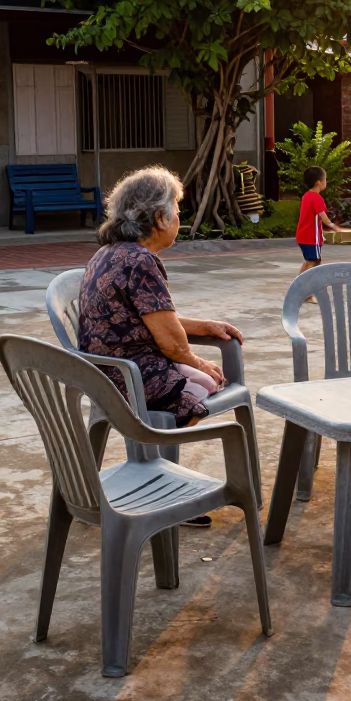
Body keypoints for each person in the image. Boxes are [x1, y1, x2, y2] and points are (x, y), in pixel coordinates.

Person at [78, 167, 243, 527]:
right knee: (206, 386)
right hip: (129, 378)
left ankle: (158, 476)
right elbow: (169, 340)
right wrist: (199, 361)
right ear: (158, 217)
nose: (179, 217)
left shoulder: (110, 253)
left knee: (203, 381)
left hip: (105, 372)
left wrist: (203, 327)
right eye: (177, 210)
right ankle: (162, 488)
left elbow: (150, 319)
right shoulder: (141, 261)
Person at [295, 166, 343, 298]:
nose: (326, 182)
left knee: (311, 262)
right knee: (314, 263)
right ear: (318, 182)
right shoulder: (317, 198)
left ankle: (299, 288)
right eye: (325, 179)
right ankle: (304, 292)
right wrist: (334, 227)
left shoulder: (306, 196)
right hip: (311, 237)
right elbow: (323, 217)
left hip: (303, 236)